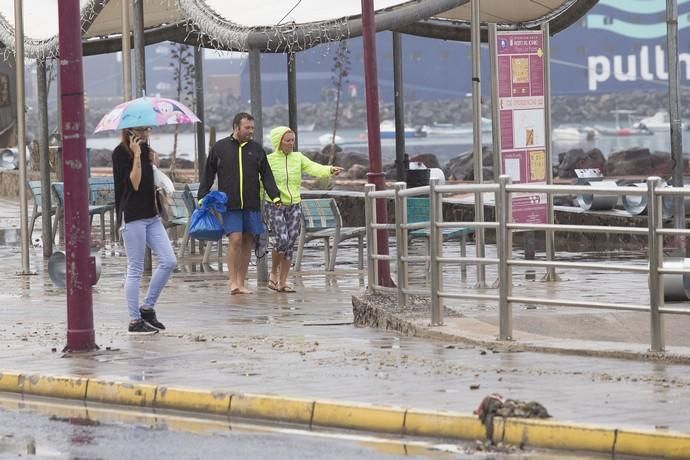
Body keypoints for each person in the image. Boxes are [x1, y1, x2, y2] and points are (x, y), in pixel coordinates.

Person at [198, 113, 282, 295]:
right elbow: (208, 173)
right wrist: (202, 195)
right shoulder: (220, 148)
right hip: (230, 204)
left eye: (252, 128)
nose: (251, 131)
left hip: (251, 204)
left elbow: (267, 175)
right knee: (235, 239)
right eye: (247, 128)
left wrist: (275, 196)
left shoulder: (257, 149)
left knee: (247, 240)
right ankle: (233, 282)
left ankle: (241, 282)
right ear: (236, 127)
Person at [112, 126, 177, 335]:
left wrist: (152, 162)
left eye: (147, 129)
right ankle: (134, 320)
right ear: (129, 131)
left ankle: (147, 308)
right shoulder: (120, 153)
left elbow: (150, 183)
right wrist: (138, 157)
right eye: (140, 130)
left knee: (169, 261)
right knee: (135, 268)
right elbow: (136, 184)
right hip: (132, 217)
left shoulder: (146, 149)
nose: (145, 133)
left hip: (152, 215)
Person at [264, 126, 343, 292]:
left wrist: (329, 170)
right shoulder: (268, 160)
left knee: (290, 242)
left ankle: (283, 282)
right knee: (282, 240)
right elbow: (260, 182)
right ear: (278, 142)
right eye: (288, 140)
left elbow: (314, 168)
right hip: (274, 205)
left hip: (294, 205)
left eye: (293, 140)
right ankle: (273, 273)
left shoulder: (298, 157)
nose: (291, 143)